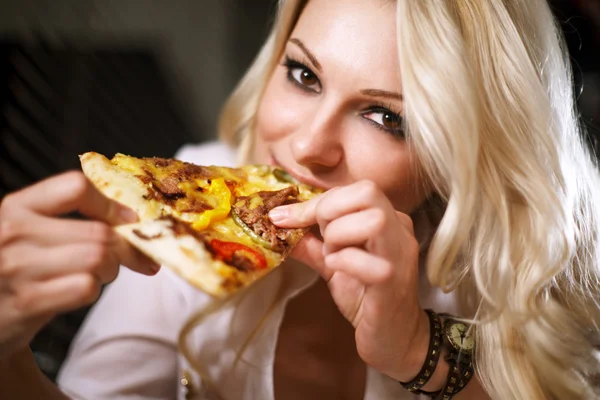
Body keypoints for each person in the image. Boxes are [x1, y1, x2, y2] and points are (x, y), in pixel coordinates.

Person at [1, 0, 599, 398]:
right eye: (304, 75)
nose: (309, 146)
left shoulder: (506, 267)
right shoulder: (192, 214)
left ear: (460, 158)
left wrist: (418, 347)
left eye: (385, 117)